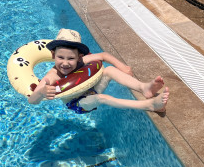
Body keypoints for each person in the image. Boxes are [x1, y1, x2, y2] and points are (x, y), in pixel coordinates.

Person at [27, 29, 169, 114]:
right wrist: (41, 92)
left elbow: (103, 55)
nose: (65, 63)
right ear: (53, 55)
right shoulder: (52, 76)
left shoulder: (82, 61)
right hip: (78, 104)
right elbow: (32, 100)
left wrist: (123, 67)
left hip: (91, 89)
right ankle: (149, 105)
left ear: (79, 57)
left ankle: (144, 87)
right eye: (60, 57)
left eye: (70, 58)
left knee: (110, 70)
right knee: (102, 98)